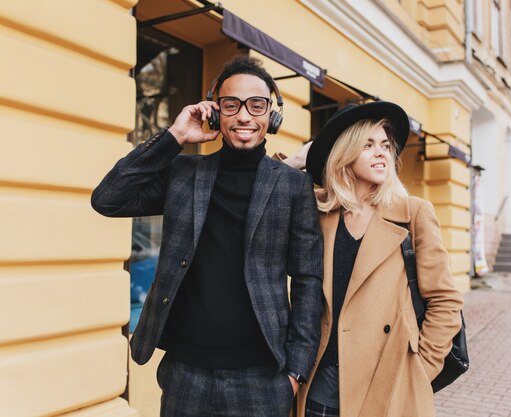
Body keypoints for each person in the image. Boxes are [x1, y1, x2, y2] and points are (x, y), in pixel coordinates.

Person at [91, 56, 323, 417]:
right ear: (216, 113)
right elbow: (107, 199)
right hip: (186, 373)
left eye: (256, 105)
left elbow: (309, 278)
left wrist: (296, 371)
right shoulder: (184, 173)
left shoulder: (293, 185)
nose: (244, 116)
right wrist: (175, 136)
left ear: (271, 115)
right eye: (231, 105)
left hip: (263, 377)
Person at [283, 102, 464, 417]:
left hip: (389, 387)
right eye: (367, 145)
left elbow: (445, 301)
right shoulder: (319, 213)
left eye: (385, 145)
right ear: (344, 154)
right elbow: (263, 199)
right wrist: (299, 160)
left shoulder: (413, 214)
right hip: (321, 389)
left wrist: (420, 370)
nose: (381, 153)